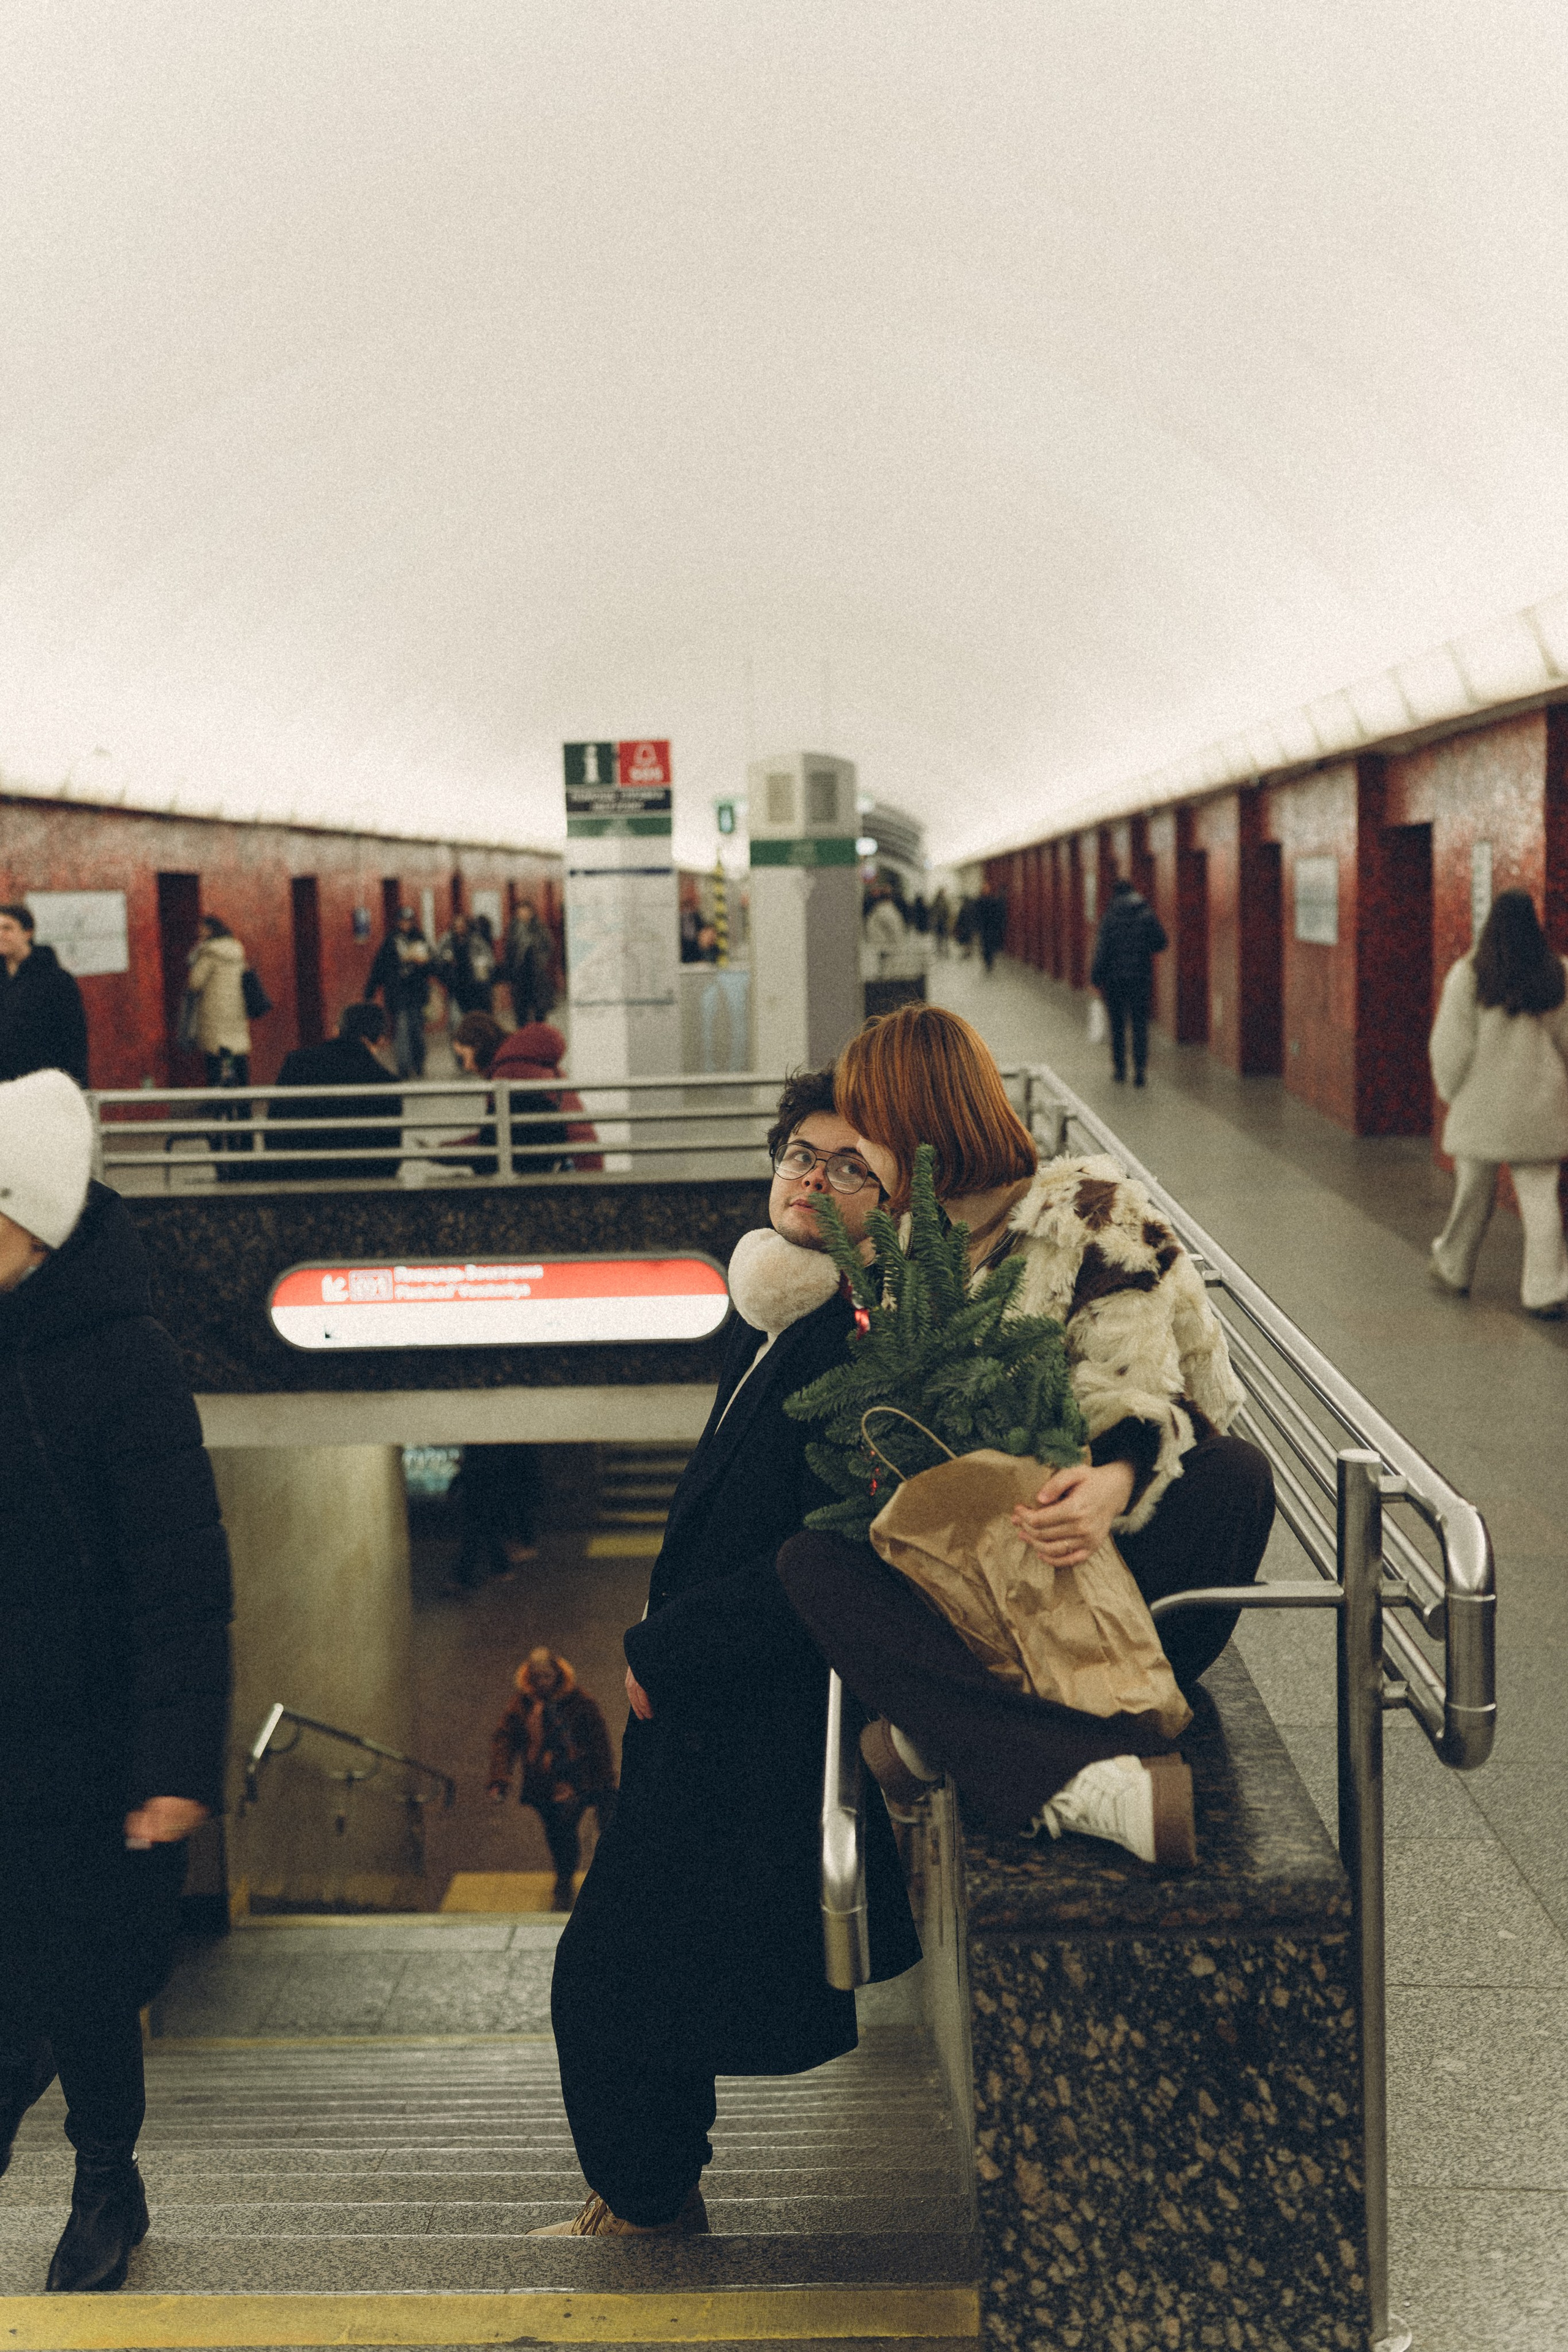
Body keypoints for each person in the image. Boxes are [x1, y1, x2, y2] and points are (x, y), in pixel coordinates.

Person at [540, 1066, 920, 2239]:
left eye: (852, 1165)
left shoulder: (863, 1344)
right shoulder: (777, 1313)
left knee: (604, 1978)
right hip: (706, 1710)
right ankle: (648, 2190)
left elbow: (841, 1550)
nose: (814, 1179)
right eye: (801, 1153)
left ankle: (648, 2201)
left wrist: (665, 1644)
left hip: (750, 1719)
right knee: (641, 1972)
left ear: (897, 1200)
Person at [778, 1002, 1273, 1869]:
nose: (857, 1159)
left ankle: (961, 1737)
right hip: (986, 1578)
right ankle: (1077, 1780)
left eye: (869, 1137)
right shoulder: (910, 1246)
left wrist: (1117, 1479)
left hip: (1100, 1558)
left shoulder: (1088, 1211)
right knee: (809, 1563)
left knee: (1236, 1474)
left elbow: (1150, 1386)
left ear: (920, 1124)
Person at [0, 1069, 232, 2294]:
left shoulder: (123, 1358)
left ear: (30, 1225)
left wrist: (173, 1770)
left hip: (86, 1746)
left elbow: (181, 1582)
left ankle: (106, 2183)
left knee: (86, 1986)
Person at [1428, 888, 1568, 1319]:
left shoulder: (1469, 974)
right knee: (1541, 1201)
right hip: (1541, 1111)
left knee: (1472, 1196)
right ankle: (1546, 1289)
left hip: (1481, 1110)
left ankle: (1453, 1268)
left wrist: (1453, 1094)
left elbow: (1451, 1047)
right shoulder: (1558, 975)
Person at [488, 1648, 616, 1912]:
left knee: (566, 1826)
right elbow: (505, 1739)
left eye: (548, 1676)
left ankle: (566, 1874)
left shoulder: (581, 1702)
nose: (543, 1682)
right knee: (556, 1831)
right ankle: (565, 1872)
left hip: (575, 1781)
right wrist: (500, 1776)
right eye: (538, 1677)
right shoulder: (522, 1705)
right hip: (542, 1783)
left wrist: (605, 1782)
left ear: (558, 1674)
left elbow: (599, 1744)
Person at [266, 1001, 403, 1182]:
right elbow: (389, 1159)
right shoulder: (387, 1082)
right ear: (380, 1040)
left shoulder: (297, 1062)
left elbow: (273, 1130)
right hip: (361, 1179)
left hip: (297, 1174)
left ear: (337, 1030)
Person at [491, 1020, 602, 1173]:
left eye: (463, 1057)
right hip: (588, 1158)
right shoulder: (553, 1070)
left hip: (568, 1166)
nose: (467, 1066)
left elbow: (494, 1134)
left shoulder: (507, 1073)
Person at [1090, 875, 1167, 1087]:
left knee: (1118, 1026)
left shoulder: (1110, 917)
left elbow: (1102, 951)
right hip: (1141, 979)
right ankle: (1140, 1071)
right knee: (1140, 1025)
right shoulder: (1146, 914)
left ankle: (1120, 1069)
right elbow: (1161, 942)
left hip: (1114, 981)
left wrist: (1095, 978)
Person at [0, 905, 89, 1087]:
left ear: (27, 933)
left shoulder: (56, 981)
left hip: (42, 1088)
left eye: (7, 928)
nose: (0, 934)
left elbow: (73, 1041)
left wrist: (74, 1089)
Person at [185, 914, 251, 1090]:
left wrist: (196, 953)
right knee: (237, 1056)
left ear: (210, 931)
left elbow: (195, 983)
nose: (200, 934)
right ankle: (244, 1104)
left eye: (202, 931)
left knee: (218, 1059)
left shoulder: (208, 952)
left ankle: (222, 1103)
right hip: (236, 1011)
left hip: (215, 1014)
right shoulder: (236, 949)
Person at [368, 907, 433, 1079]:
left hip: (417, 994)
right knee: (402, 1030)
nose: (406, 924)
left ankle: (418, 1064)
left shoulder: (420, 939)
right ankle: (404, 1067)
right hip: (397, 994)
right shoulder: (390, 941)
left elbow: (432, 965)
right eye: (403, 921)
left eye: (409, 921)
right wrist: (370, 991)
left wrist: (424, 964)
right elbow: (379, 967)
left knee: (416, 1031)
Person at [504, 899, 557, 1025]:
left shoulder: (539, 927)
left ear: (531, 912)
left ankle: (540, 1033)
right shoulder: (513, 929)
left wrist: (542, 960)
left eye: (525, 911)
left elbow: (549, 945)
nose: (522, 914)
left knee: (539, 1007)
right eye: (520, 912)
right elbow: (509, 950)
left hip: (536, 972)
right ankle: (523, 1033)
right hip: (519, 972)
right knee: (521, 1008)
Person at [435, 912, 496, 1021]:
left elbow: (489, 960)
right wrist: (446, 962)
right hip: (455, 984)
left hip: (475, 985)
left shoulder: (476, 940)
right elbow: (437, 958)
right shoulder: (447, 940)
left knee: (476, 1016)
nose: (459, 929)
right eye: (456, 926)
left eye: (462, 926)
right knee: (456, 1020)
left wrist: (481, 967)